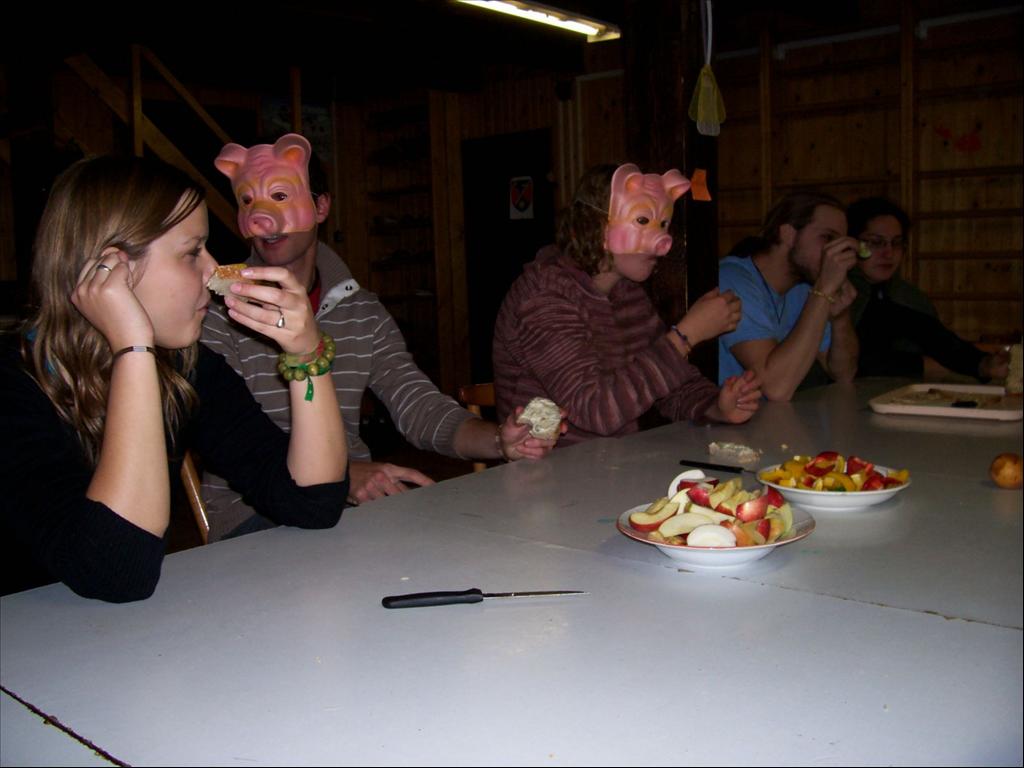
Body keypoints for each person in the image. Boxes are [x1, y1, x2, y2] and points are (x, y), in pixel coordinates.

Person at [0, 156, 349, 602]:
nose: (213, 271)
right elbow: (115, 573)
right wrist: (133, 348)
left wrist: (306, 354)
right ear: (111, 270)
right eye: (192, 252)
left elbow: (313, 503)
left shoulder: (186, 367)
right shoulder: (13, 386)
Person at [200, 134, 557, 540]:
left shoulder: (361, 310)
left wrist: (499, 441)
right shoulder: (220, 314)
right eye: (247, 200)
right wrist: (343, 475)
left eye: (281, 195)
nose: (261, 215)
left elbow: (416, 403)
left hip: (348, 509)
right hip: (252, 514)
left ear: (321, 207)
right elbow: (235, 441)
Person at [492, 162, 761, 446]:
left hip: (612, 462)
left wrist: (716, 405)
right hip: (549, 466)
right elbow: (596, 411)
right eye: (643, 221)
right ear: (596, 227)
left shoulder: (626, 293)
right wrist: (685, 336)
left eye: (663, 224)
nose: (662, 240)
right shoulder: (543, 297)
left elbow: (667, 385)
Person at [846, 196, 1009, 381]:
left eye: (897, 243)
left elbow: (932, 336)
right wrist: (925, 366)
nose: (889, 253)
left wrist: (983, 363)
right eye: (876, 242)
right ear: (851, 244)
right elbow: (862, 363)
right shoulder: (838, 290)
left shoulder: (901, 295)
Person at [717, 191, 860, 401]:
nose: (835, 252)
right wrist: (824, 290)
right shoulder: (731, 279)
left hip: (764, 419)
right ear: (788, 234)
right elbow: (776, 388)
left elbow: (843, 373)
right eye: (827, 238)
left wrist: (840, 319)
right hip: (715, 421)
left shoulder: (802, 290)